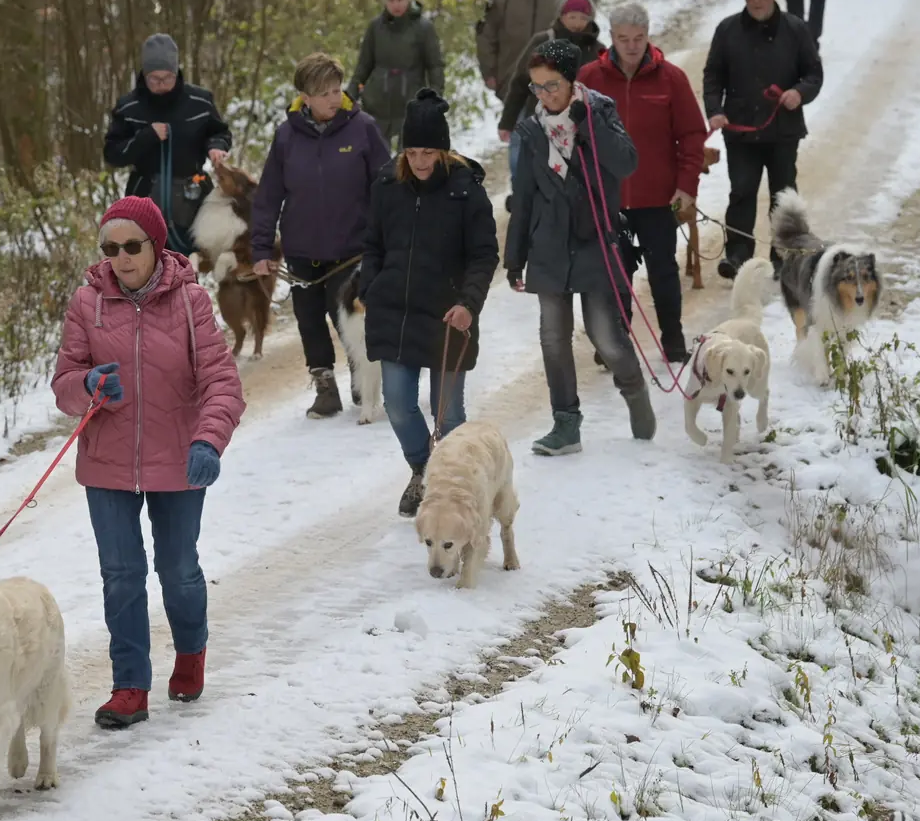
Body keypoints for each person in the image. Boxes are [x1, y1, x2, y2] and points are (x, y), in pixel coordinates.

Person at [52, 196, 245, 729]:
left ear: (156, 245)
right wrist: (87, 384)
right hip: (107, 462)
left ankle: (191, 652)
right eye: (110, 248)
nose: (121, 258)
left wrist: (208, 442)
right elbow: (64, 384)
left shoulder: (190, 302)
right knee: (121, 574)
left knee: (178, 570)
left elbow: (222, 382)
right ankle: (130, 686)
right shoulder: (87, 303)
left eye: (132, 246)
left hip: (180, 459)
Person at [503, 39, 655, 457]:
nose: (544, 95)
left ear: (572, 81)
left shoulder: (599, 111)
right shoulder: (532, 130)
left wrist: (586, 124)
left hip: (595, 242)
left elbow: (626, 163)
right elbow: (524, 196)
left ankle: (635, 392)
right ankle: (565, 424)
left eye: (552, 85)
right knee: (553, 338)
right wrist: (514, 257)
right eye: (536, 87)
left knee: (605, 336)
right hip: (548, 246)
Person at [360, 90, 498, 517]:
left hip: (447, 318)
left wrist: (469, 303)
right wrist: (371, 287)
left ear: (443, 151)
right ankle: (424, 470)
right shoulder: (387, 186)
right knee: (398, 404)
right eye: (412, 152)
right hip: (395, 315)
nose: (420, 161)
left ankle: (457, 486)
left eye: (429, 152)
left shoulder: (466, 192)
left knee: (449, 416)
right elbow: (372, 244)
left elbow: (484, 255)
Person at [251, 54, 392, 419]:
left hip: (352, 250)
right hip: (302, 250)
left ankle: (364, 380)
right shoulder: (286, 137)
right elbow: (268, 196)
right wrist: (261, 249)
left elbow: (388, 186)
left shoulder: (363, 129)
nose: (333, 98)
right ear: (305, 97)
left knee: (349, 319)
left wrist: (390, 236)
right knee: (309, 321)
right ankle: (325, 386)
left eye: (336, 90)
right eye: (324, 93)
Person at [576, 2, 708, 365]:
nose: (632, 46)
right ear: (612, 38)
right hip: (608, 198)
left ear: (648, 36)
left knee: (663, 269)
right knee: (614, 272)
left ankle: (673, 338)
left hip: (658, 197)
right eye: (623, 39)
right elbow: (573, 135)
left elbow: (692, 135)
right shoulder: (590, 78)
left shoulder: (671, 79)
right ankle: (616, 341)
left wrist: (686, 187)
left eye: (638, 38)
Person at [701, 0, 823, 277]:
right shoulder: (727, 30)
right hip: (740, 131)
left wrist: (799, 92)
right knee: (741, 191)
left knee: (784, 195)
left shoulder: (796, 29)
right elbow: (713, 75)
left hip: (784, 129)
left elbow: (814, 73)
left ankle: (784, 257)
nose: (756, 0)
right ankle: (738, 256)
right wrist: (714, 110)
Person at [102, 34, 233, 255]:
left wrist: (216, 146)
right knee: (147, 262)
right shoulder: (128, 107)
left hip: (192, 196)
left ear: (176, 72)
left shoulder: (200, 101)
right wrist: (145, 137)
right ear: (144, 74)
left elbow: (219, 132)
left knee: (191, 262)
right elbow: (112, 154)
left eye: (167, 78)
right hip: (144, 196)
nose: (162, 84)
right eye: (154, 79)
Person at [476, 0, 575, 180]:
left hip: (557, 85)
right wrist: (489, 71)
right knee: (519, 142)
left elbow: (581, 35)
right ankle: (521, 193)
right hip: (514, 82)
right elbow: (486, 33)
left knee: (555, 144)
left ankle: (552, 191)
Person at [350, 0, 445, 152]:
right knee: (376, 158)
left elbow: (435, 66)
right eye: (391, 0)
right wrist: (350, 95)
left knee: (408, 158)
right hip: (377, 103)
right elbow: (363, 66)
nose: (396, 5)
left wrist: (435, 98)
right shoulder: (375, 27)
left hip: (411, 102)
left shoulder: (423, 28)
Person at [499, 0, 606, 145]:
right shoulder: (543, 41)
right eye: (572, 17)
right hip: (540, 124)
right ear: (562, 17)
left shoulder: (598, 50)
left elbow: (604, 92)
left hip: (580, 129)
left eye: (583, 18)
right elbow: (520, 82)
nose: (577, 23)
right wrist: (507, 122)